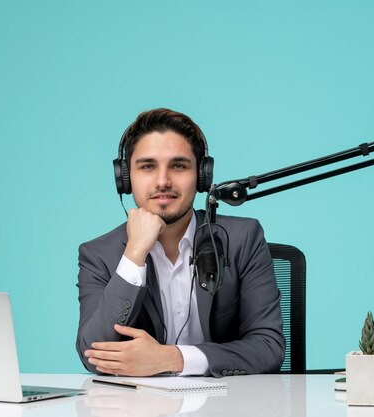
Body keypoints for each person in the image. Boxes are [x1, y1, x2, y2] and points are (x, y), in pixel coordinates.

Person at [76, 108, 284, 377]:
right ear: (126, 179)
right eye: (148, 166)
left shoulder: (244, 239)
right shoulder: (98, 255)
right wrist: (134, 254)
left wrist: (173, 358)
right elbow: (93, 354)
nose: (163, 182)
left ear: (201, 176)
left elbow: (269, 347)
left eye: (178, 165)